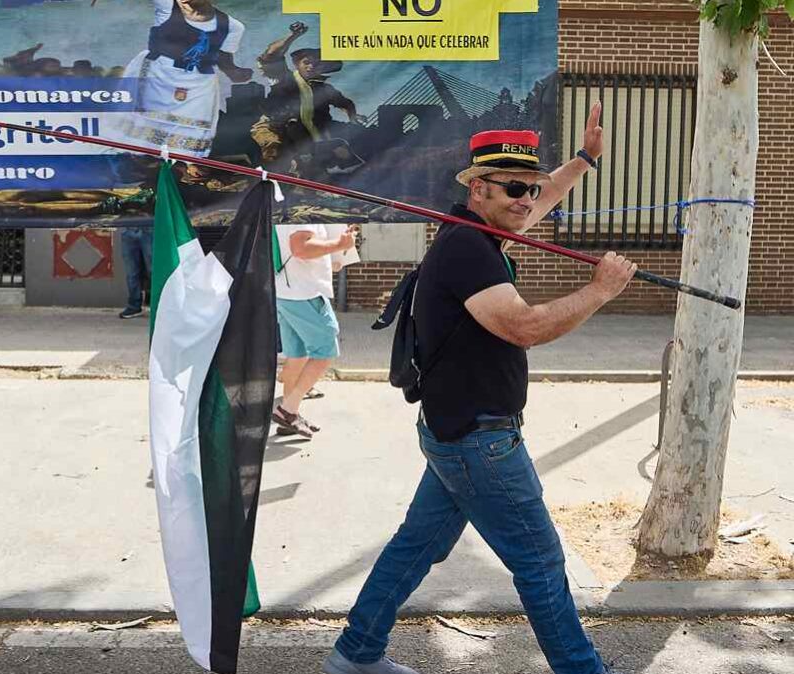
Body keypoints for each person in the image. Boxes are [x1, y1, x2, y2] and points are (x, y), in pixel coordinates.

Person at [323, 104, 633, 674]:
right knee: (539, 560)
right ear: (479, 189)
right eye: (513, 188)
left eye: (529, 186)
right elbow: (525, 327)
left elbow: (542, 199)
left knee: (415, 547)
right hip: (478, 442)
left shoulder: (481, 234)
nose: (526, 197)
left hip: (455, 433)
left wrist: (584, 160)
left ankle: (355, 654)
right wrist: (600, 291)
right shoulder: (469, 249)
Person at [115, 0, 254, 157]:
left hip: (198, 84)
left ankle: (182, 169)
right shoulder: (167, 5)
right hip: (158, 74)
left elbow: (224, 60)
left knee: (189, 133)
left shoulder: (232, 26)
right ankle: (141, 165)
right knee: (145, 128)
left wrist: (236, 72)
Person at [271, 223, 358, 439]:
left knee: (297, 355)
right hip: (305, 294)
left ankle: (290, 416)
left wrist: (337, 248)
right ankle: (287, 410)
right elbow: (300, 248)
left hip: (286, 291)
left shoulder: (287, 205)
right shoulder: (303, 211)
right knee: (325, 351)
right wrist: (339, 243)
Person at [252, 22, 363, 175]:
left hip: (306, 135)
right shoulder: (283, 78)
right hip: (274, 128)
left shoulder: (324, 89)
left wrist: (353, 116)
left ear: (323, 68)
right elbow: (270, 56)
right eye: (307, 62)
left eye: (317, 64)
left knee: (339, 149)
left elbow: (346, 103)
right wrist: (293, 36)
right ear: (298, 64)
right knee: (274, 152)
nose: (311, 67)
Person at [119, 227, 153, 319]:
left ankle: (159, 305)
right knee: (131, 272)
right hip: (128, 228)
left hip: (150, 227)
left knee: (153, 270)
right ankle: (134, 306)